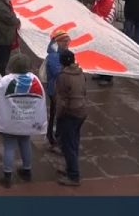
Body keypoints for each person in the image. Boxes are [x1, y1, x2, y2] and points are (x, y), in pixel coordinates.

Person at [0, 54, 47, 188]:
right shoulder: (35, 80)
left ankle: (7, 176)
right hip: (28, 120)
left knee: (9, 147)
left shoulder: (5, 81)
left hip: (10, 120)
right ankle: (27, 170)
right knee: (25, 143)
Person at [54, 49, 87, 187]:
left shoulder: (63, 76)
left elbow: (61, 98)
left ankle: (73, 175)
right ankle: (70, 168)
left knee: (68, 145)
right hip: (81, 111)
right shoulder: (80, 72)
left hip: (69, 112)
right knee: (74, 142)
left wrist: (58, 116)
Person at [43, 30, 72, 148]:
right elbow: (58, 72)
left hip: (60, 89)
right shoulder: (54, 56)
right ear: (57, 41)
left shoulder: (62, 52)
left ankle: (54, 135)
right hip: (55, 90)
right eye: (64, 41)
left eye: (68, 41)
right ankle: (53, 137)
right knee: (56, 114)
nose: (67, 43)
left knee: (57, 113)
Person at [90, 0, 117, 86]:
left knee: (107, 54)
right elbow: (94, 11)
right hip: (98, 31)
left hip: (106, 32)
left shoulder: (109, 2)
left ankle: (107, 77)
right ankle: (100, 72)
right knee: (99, 52)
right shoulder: (99, 1)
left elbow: (107, 19)